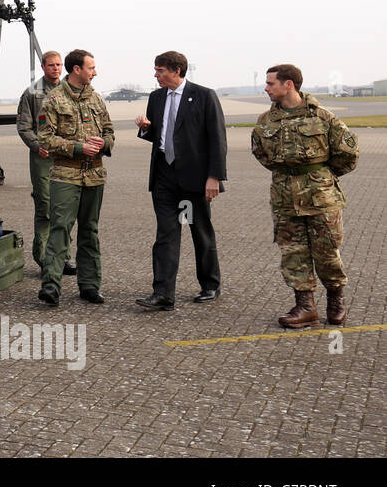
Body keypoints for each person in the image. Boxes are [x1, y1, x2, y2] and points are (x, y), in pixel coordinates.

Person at [251, 64, 358, 328]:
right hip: (285, 197)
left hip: (320, 197)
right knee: (293, 253)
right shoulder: (266, 121)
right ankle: (305, 307)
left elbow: (348, 154)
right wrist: (290, 174)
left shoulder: (323, 117)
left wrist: (320, 176)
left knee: (327, 253)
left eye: (271, 83)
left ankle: (336, 301)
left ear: (288, 84)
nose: (266, 88)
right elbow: (262, 154)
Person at [133, 51, 227, 310]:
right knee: (166, 233)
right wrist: (145, 128)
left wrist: (214, 177)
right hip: (164, 175)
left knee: (200, 231)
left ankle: (210, 285)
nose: (155, 75)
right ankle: (163, 293)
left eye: (160, 70)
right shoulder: (156, 97)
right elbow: (158, 135)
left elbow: (217, 139)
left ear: (176, 70)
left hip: (194, 179)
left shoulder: (204, 96)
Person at [36, 49, 114, 306]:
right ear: (76, 70)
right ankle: (50, 287)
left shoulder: (97, 99)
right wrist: (79, 148)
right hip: (65, 176)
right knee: (60, 230)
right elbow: (46, 139)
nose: (95, 72)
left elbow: (110, 132)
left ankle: (90, 286)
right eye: (91, 67)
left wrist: (104, 143)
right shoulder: (53, 100)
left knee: (90, 231)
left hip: (94, 176)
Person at [16, 50, 75, 277]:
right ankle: (44, 260)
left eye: (59, 65)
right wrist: (36, 145)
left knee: (65, 210)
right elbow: (23, 126)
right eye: (51, 65)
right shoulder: (32, 94)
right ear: (43, 66)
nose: (56, 69)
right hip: (43, 157)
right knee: (45, 208)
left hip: (65, 156)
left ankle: (63, 258)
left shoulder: (68, 91)